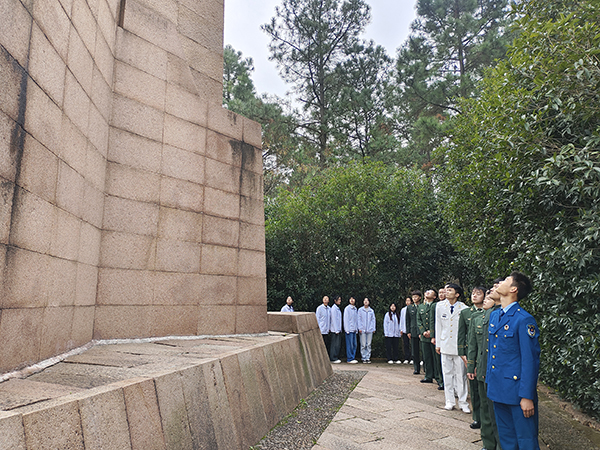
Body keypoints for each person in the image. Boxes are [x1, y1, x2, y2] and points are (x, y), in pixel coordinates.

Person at [486, 272, 540, 450]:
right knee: (507, 440)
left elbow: (530, 360)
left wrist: (527, 396)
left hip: (517, 393)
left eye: (506, 281)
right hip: (498, 389)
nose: (500, 282)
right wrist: (490, 383)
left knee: (526, 441)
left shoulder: (524, 320)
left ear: (513, 289)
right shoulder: (495, 316)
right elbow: (493, 353)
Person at [467, 284, 503, 450]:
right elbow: (473, 346)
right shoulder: (478, 319)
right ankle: (488, 443)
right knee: (485, 408)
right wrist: (471, 367)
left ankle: (499, 444)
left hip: (494, 370)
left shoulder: (499, 315)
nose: (486, 299)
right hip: (482, 369)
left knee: (496, 411)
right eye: (486, 297)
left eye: (489, 297)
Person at [435, 283, 470, 413]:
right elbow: (438, 325)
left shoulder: (464, 308)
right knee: (447, 374)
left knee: (461, 375)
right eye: (446, 290)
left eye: (450, 290)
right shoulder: (439, 306)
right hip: (445, 344)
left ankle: (463, 402)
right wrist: (438, 343)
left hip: (459, 346)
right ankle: (449, 401)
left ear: (457, 294)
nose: (446, 292)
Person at [458, 286, 486, 429]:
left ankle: (486, 417)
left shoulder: (488, 312)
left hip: (483, 355)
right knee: (474, 389)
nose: (474, 296)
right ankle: (477, 418)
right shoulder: (465, 313)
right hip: (470, 354)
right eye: (473, 293)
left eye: (478, 294)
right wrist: (463, 355)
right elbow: (461, 335)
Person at [417, 289, 442, 385]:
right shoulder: (421, 306)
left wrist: (431, 333)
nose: (427, 292)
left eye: (431, 292)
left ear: (434, 296)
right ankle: (428, 376)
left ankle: (438, 378)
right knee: (426, 357)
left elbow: (436, 321)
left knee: (436, 358)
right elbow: (418, 320)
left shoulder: (436, 306)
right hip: (424, 337)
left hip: (434, 336)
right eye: (427, 291)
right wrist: (423, 331)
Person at [406, 290, 422, 374]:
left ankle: (426, 368)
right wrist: (408, 331)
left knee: (423, 350)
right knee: (414, 351)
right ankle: (416, 368)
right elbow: (407, 320)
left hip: (422, 331)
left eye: (416, 296)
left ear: (419, 297)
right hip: (413, 331)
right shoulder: (409, 307)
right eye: (413, 297)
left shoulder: (423, 306)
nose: (414, 298)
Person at [357, 298, 376, 363]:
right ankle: (363, 357)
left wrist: (373, 328)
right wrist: (360, 328)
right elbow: (359, 319)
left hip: (370, 330)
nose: (366, 302)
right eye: (364, 300)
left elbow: (373, 320)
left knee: (369, 344)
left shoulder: (371, 311)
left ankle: (368, 357)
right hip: (362, 330)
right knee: (363, 344)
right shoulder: (360, 310)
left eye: (367, 300)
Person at [344, 297, 359, 363]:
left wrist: (356, 329)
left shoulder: (355, 309)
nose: (352, 300)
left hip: (354, 330)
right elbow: (346, 319)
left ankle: (353, 357)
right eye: (350, 299)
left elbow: (356, 320)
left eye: (353, 299)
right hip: (349, 330)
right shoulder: (347, 309)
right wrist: (347, 329)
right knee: (349, 344)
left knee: (354, 344)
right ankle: (349, 358)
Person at [329, 295, 343, 363]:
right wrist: (336, 329)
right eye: (339, 299)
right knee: (334, 344)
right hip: (335, 330)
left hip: (337, 329)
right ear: (335, 300)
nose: (340, 301)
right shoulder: (334, 309)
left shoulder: (336, 308)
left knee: (337, 344)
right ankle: (333, 357)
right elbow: (334, 320)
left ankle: (335, 357)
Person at [400, 297, 412, 364]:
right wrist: (401, 329)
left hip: (412, 330)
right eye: (406, 301)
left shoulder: (413, 308)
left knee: (412, 345)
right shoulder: (403, 310)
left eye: (409, 300)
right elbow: (402, 320)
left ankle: (413, 358)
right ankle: (406, 358)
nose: (407, 302)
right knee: (406, 344)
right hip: (404, 329)